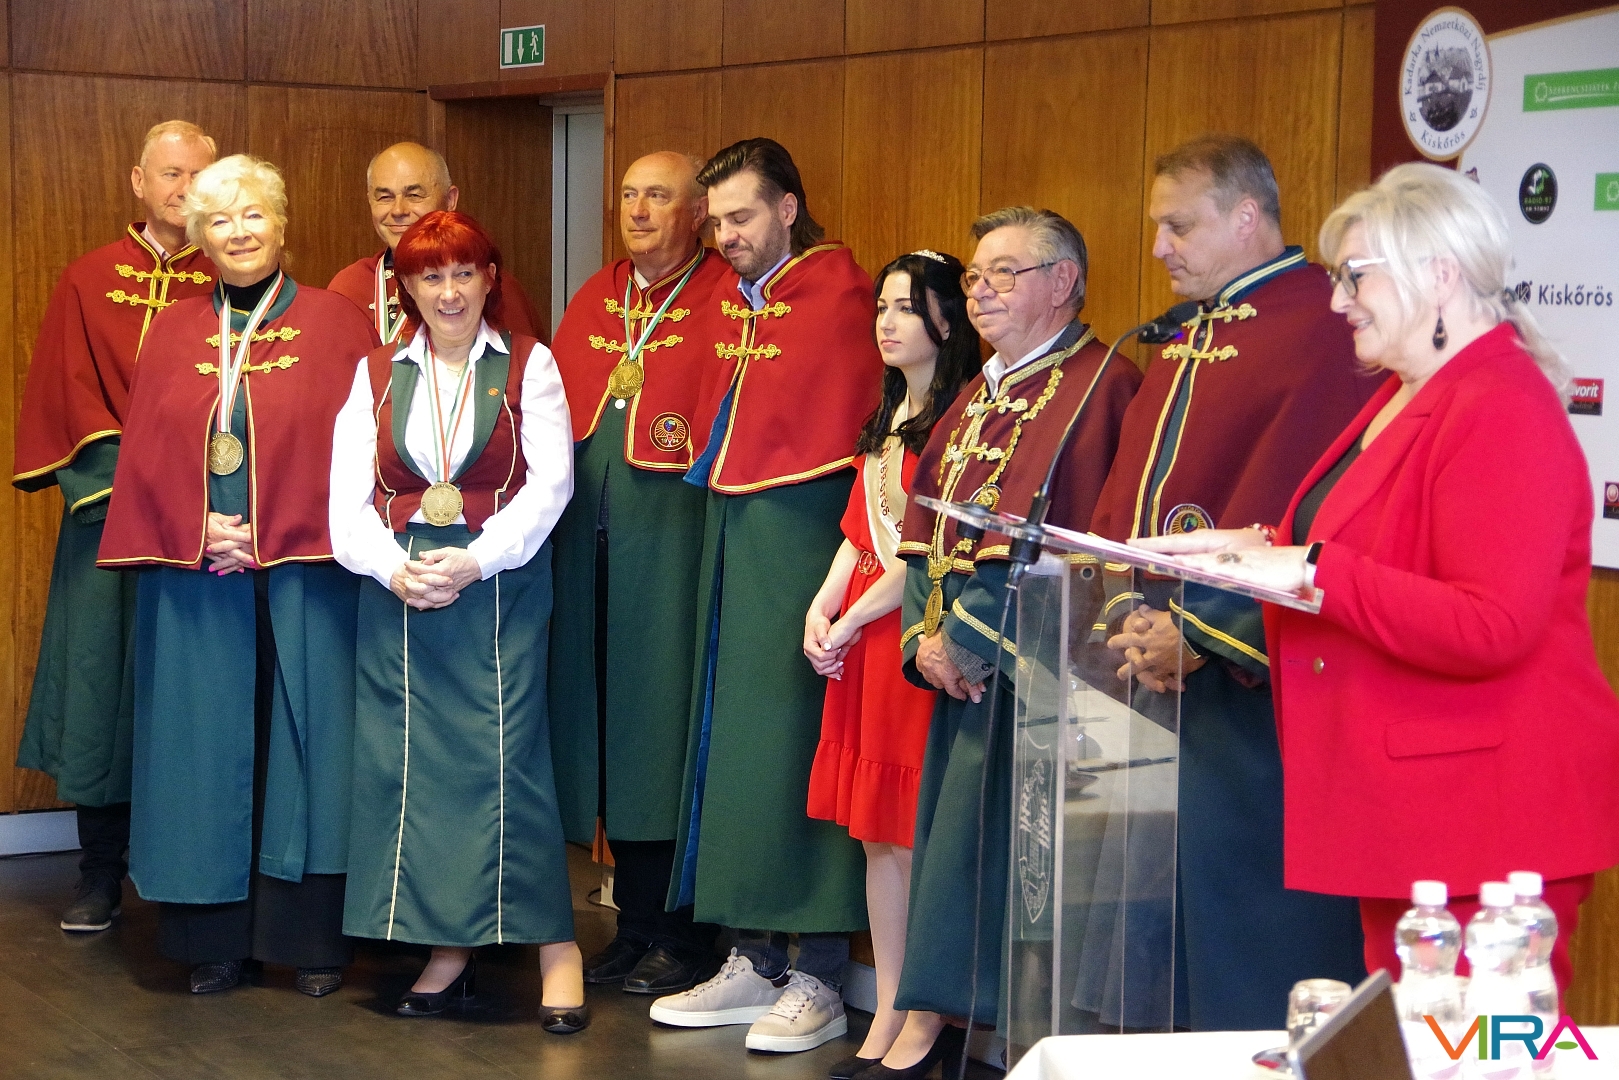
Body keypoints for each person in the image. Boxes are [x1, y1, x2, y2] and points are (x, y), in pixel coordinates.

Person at [1141, 162, 1619, 997]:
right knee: (1414, 1038)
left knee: (1475, 1046)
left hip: (1483, 815)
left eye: (1354, 276)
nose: (1337, 302)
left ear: (1438, 274)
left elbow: (1490, 624)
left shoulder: (1498, 401)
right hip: (1408, 803)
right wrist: (1250, 549)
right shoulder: (1410, 391)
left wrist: (1307, 570)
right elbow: (1379, 545)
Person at [1088, 134, 1377, 1030]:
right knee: (1176, 940)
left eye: (1178, 226)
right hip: (1159, 680)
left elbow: (1321, 521)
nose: (1159, 247)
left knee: (1257, 938)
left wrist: (1202, 632)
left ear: (1246, 216)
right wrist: (1130, 611)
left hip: (1264, 692)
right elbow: (1131, 495)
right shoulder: (1186, 332)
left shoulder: (1322, 328)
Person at [96, 154, 378, 996]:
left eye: (253, 214)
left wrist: (272, 528)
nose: (239, 232)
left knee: (309, 747)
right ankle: (213, 939)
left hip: (308, 575)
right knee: (204, 748)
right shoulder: (172, 331)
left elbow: (365, 453)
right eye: (219, 220)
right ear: (200, 238)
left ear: (281, 223)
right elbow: (145, 457)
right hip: (198, 576)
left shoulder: (335, 323)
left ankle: (312, 940)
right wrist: (199, 525)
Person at [884, 207, 1140, 1077]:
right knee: (957, 856)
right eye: (973, 277)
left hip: (1044, 678)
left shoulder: (1102, 387)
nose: (980, 292)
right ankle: (946, 1026)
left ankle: (1017, 1042)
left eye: (1003, 273)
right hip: (959, 669)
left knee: (1026, 866)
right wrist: (925, 636)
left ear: (1062, 282)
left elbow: (1076, 539)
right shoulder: (978, 389)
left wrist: (968, 638)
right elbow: (925, 528)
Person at [649, 138, 882, 1054]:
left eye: (741, 217)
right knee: (734, 746)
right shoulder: (734, 298)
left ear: (788, 207)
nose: (726, 236)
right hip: (730, 539)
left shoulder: (841, 297)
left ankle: (818, 971)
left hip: (803, 546)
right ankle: (750, 955)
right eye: (716, 222)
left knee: (795, 745)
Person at [329, 210, 588, 1032]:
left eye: (463, 273)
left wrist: (478, 559)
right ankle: (448, 948)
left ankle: (556, 948)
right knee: (413, 772)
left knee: (508, 767)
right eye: (430, 276)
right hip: (400, 589)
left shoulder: (529, 366)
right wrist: (392, 569)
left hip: (499, 585)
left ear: (489, 279)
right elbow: (344, 501)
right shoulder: (375, 372)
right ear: (406, 288)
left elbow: (551, 487)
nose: (449, 292)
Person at [12, 120, 217, 934]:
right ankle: (97, 874)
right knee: (99, 692)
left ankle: (194, 876)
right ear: (139, 180)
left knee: (192, 692)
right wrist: (131, 485)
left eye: (198, 176)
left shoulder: (234, 276)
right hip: (106, 518)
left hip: (208, 526)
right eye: (170, 174)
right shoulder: (89, 278)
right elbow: (65, 393)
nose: (184, 190)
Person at [549, 151, 728, 996]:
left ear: (697, 212)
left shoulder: (722, 295)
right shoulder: (599, 293)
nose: (639, 210)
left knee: (661, 739)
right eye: (628, 195)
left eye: (658, 196)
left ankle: (684, 936)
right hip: (588, 555)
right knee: (610, 740)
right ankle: (634, 926)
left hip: (669, 555)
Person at [801, 250, 982, 1080]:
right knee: (877, 840)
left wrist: (851, 618)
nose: (886, 321)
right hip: (863, 636)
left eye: (905, 307)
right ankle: (887, 1012)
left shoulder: (959, 422)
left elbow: (924, 556)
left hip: (907, 633)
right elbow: (858, 533)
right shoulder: (886, 416)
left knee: (912, 835)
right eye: (881, 306)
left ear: (945, 319)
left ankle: (925, 1013)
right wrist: (820, 607)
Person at [327, 142, 542, 343]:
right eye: (385, 197)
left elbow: (517, 366)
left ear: (450, 200)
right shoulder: (349, 286)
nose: (398, 210)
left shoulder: (485, 286)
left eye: (414, 195)